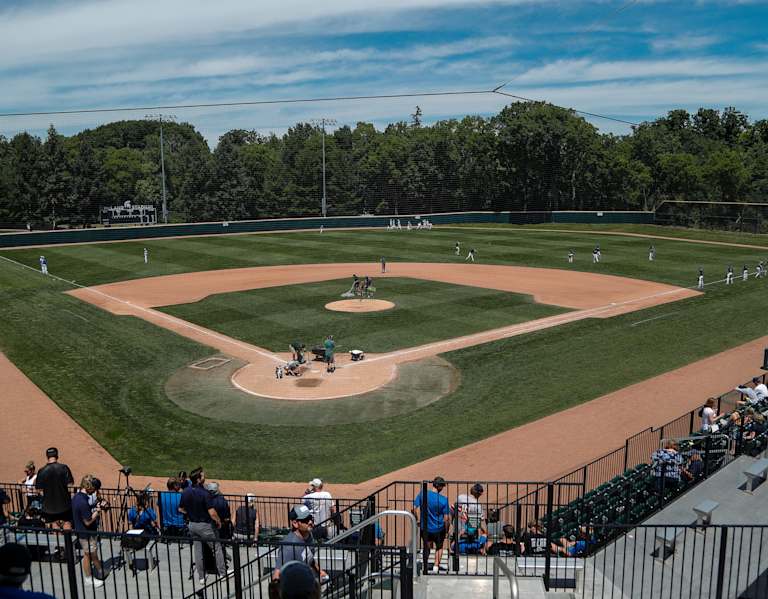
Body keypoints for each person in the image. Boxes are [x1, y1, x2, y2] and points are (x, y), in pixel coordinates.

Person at [178, 467, 230, 584]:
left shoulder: (185, 491)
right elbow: (212, 513)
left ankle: (201, 577)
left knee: (198, 551)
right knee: (217, 548)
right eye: (202, 475)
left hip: (192, 525)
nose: (204, 477)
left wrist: (190, 514)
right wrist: (218, 521)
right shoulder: (204, 493)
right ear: (198, 479)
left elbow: (180, 509)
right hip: (205, 526)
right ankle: (222, 574)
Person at [272, 505, 327, 582]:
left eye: (310, 518)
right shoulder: (289, 547)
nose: (310, 522)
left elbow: (309, 558)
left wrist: (319, 571)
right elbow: (277, 574)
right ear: (295, 523)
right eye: (305, 520)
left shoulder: (309, 535)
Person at [412, 476, 451, 573]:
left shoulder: (422, 494)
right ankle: (436, 566)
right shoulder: (443, 500)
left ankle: (425, 565)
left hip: (425, 528)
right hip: (438, 529)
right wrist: (446, 530)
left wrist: (417, 520)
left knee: (427, 546)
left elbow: (413, 509)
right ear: (440, 487)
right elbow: (446, 518)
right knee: (439, 547)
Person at [71, 475, 104, 588]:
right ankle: (89, 578)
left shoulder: (78, 497)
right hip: (87, 534)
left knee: (90, 554)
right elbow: (88, 521)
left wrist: (94, 506)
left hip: (83, 532)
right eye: (94, 489)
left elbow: (85, 511)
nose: (95, 491)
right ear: (89, 487)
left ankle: (99, 571)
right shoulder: (82, 502)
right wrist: (98, 511)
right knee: (88, 555)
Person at [35, 447, 74, 529]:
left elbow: (39, 490)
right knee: (67, 524)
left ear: (47, 456)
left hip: (49, 507)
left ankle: (59, 541)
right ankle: (68, 541)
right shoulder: (64, 468)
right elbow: (70, 486)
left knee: (54, 526)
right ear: (57, 456)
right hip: (65, 505)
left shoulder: (41, 471)